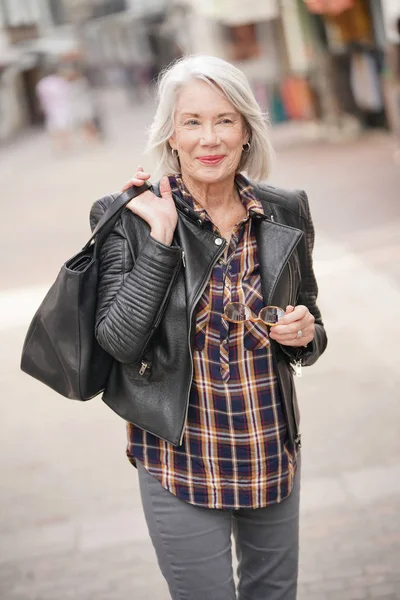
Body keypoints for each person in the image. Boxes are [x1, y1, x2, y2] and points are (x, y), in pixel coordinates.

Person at [90, 55, 327, 600]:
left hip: (269, 448)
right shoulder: (128, 214)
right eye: (192, 121)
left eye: (224, 120)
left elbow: (313, 328)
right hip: (179, 459)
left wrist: (305, 332)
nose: (209, 138)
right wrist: (161, 240)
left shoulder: (285, 210)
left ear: (246, 129)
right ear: (170, 133)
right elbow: (119, 342)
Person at [36, 64, 72, 151]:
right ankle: (64, 144)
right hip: (61, 106)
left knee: (54, 127)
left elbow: (41, 98)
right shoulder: (59, 81)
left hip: (51, 108)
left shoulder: (42, 84)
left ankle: (58, 145)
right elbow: (67, 92)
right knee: (62, 126)